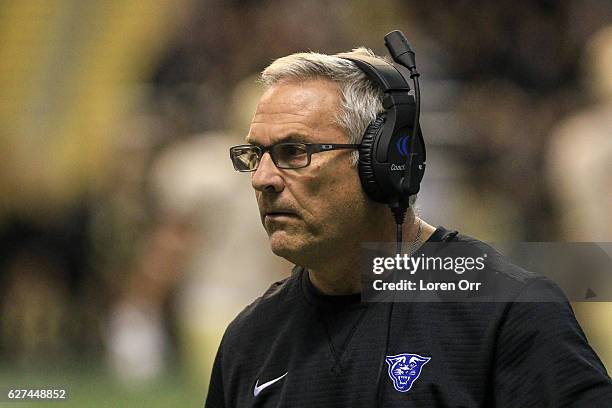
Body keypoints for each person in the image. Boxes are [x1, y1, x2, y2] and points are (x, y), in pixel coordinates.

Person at [205, 47, 612, 407]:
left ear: (382, 163)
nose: (262, 178)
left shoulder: (505, 310)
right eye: (254, 155)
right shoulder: (249, 340)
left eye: (294, 152)